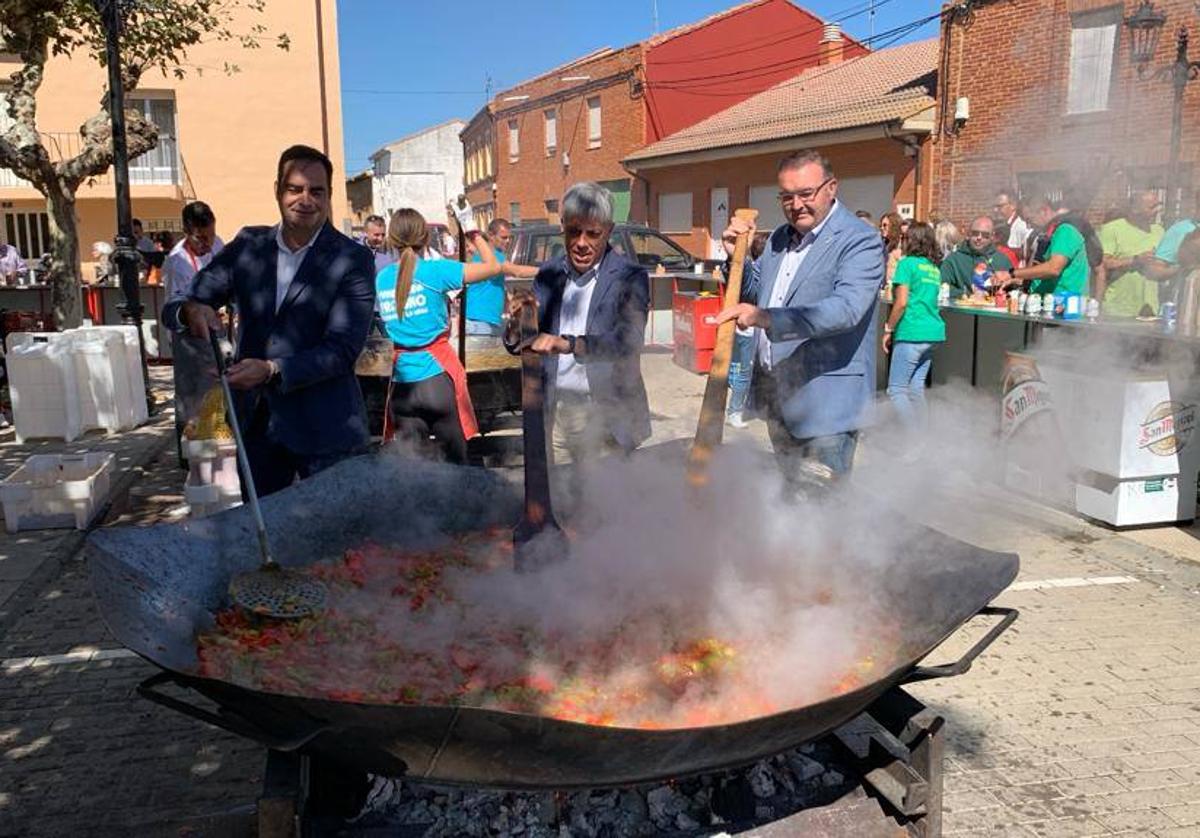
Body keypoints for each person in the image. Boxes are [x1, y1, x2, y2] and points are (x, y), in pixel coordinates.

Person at [163, 144, 376, 497]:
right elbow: (183, 302)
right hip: (259, 428)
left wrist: (273, 369)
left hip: (327, 428)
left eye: (316, 191)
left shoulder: (353, 258)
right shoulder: (249, 245)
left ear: (329, 195)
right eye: (295, 189)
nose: (305, 199)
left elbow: (342, 349)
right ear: (277, 189)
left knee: (336, 543)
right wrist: (189, 312)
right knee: (261, 539)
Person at [716, 149, 883, 484]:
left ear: (831, 187)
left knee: (821, 513)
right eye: (786, 196)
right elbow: (755, 292)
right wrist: (738, 259)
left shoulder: (860, 240)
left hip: (826, 410)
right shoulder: (779, 238)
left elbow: (846, 309)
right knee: (792, 502)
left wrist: (767, 318)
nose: (796, 205)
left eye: (806, 194)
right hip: (780, 398)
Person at [506, 181, 651, 472]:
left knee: (607, 502)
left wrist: (569, 344)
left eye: (593, 233)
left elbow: (628, 340)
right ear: (562, 227)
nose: (581, 242)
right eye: (574, 231)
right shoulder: (548, 274)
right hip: (558, 411)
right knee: (563, 495)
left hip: (607, 412)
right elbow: (528, 342)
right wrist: (517, 323)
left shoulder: (630, 277)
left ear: (608, 230)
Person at [376, 206, 514, 463]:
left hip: (402, 387)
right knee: (456, 469)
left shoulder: (382, 278)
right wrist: (472, 229)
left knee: (413, 473)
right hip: (437, 381)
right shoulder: (436, 271)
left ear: (391, 240)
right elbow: (494, 266)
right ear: (426, 238)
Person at [883, 222, 945, 440]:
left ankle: (914, 440)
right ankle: (924, 438)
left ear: (912, 240)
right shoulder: (933, 268)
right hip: (933, 332)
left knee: (896, 390)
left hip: (912, 332)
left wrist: (888, 329)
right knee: (915, 389)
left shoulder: (906, 264)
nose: (902, 241)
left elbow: (900, 303)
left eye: (905, 237)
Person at [999, 195, 1091, 297]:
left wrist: (1012, 273)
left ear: (1044, 210)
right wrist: (1015, 280)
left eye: (1030, 219)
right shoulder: (1048, 235)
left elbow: (1054, 268)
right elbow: (1040, 274)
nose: (1028, 226)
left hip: (1065, 305)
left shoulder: (1066, 230)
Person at [464, 218, 538, 337]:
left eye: (509, 238)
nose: (508, 241)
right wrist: (546, 269)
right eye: (504, 237)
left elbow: (495, 285)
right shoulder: (493, 257)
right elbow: (517, 271)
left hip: (482, 321)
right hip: (480, 322)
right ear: (491, 236)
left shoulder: (488, 256)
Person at [1099, 190, 1165, 317]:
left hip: (1150, 310)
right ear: (1135, 208)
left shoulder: (1159, 231)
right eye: (1152, 207)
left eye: (1159, 206)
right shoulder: (1112, 229)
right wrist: (1136, 260)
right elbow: (1103, 263)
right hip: (1118, 310)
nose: (1157, 210)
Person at [727, 231, 769, 429]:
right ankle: (735, 410)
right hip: (749, 331)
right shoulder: (756, 269)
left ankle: (751, 406)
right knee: (744, 372)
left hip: (762, 332)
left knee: (754, 372)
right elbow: (748, 291)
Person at [939, 216, 1013, 298]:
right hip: (961, 309)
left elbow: (1012, 290)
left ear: (992, 236)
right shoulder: (954, 259)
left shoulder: (1002, 260)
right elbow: (941, 286)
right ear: (969, 233)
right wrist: (964, 294)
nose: (979, 237)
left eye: (985, 235)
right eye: (975, 233)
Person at [993, 190, 1033, 263]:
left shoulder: (1021, 227)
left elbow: (1026, 255)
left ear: (1013, 206)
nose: (995, 210)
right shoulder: (1003, 226)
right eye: (995, 206)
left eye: (1000, 206)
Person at [879, 211, 904, 286]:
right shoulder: (884, 244)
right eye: (880, 226)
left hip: (896, 284)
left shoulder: (902, 243)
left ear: (893, 226)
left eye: (885, 225)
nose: (882, 228)